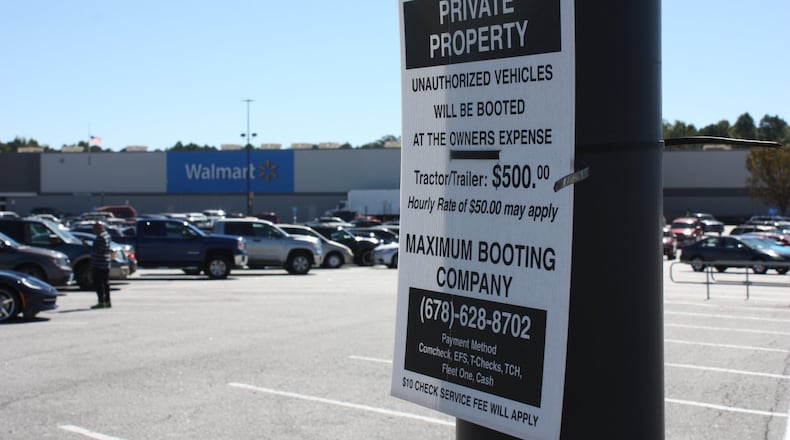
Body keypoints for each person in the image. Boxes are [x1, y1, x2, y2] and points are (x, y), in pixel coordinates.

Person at [88, 221, 113, 309]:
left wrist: (89, 247)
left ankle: (101, 301)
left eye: (94, 228)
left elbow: (99, 250)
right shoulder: (107, 235)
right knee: (105, 283)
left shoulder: (100, 237)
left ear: (99, 228)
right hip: (106, 263)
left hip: (99, 264)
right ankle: (107, 301)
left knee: (99, 284)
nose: (93, 230)